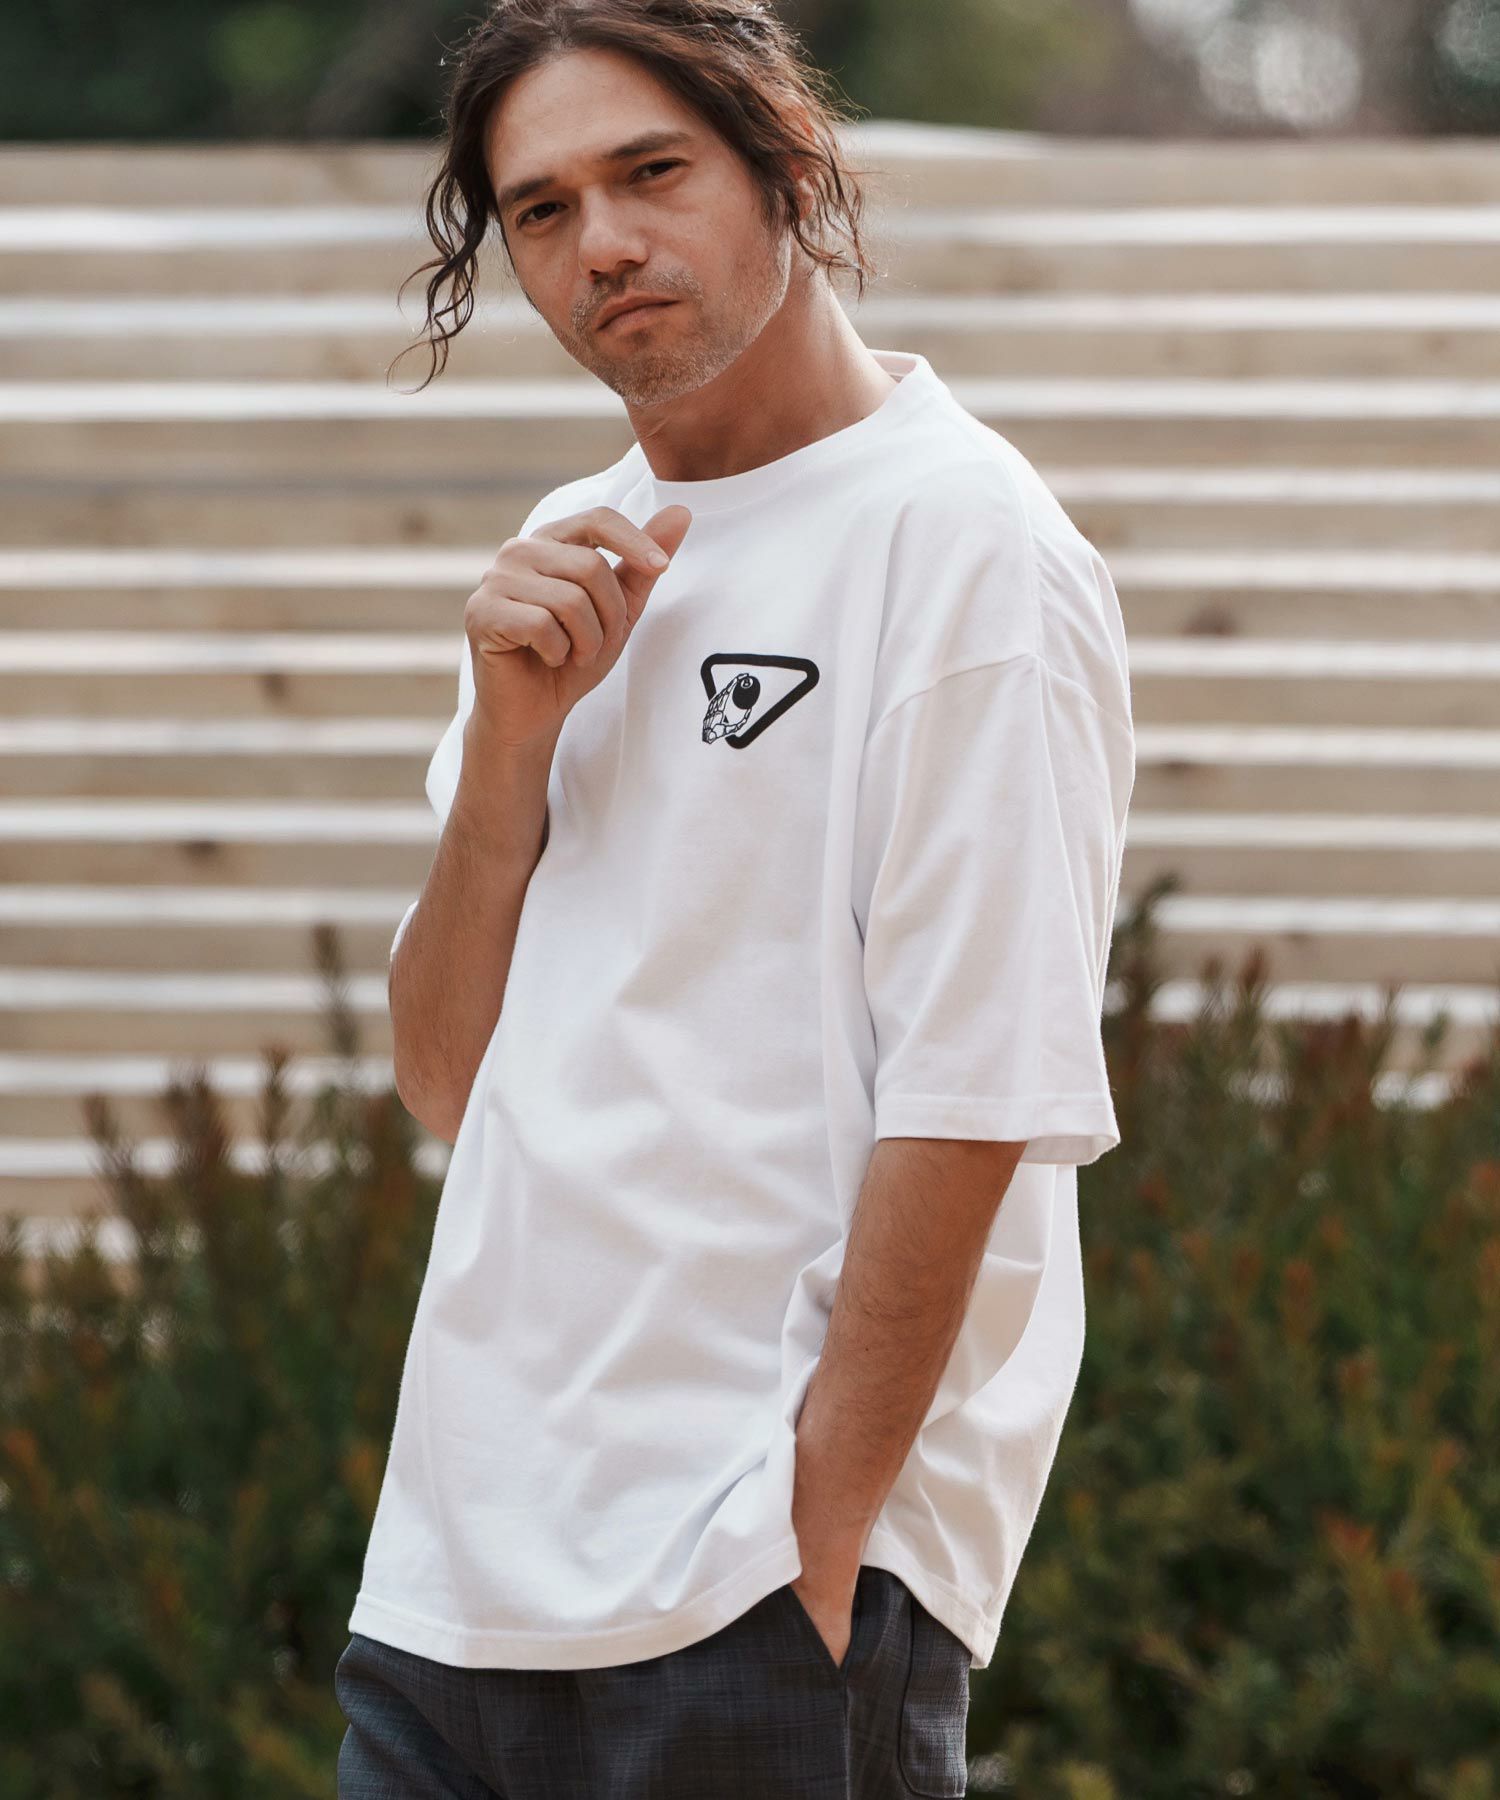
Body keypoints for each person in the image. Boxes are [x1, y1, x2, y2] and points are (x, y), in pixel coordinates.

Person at [335, 2, 1136, 1794]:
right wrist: (511, 755)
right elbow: (446, 1076)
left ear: (786, 162)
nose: (603, 243)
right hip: (456, 1588)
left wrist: (813, 1543)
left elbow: (975, 1091)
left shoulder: (967, 546)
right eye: (542, 210)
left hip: (750, 1584)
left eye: (652, 172)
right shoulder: (572, 548)